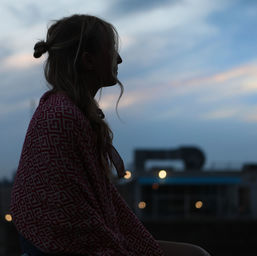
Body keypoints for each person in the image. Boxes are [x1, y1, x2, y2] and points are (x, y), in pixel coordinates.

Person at [10, 14, 211, 256]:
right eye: (112, 50)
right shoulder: (62, 116)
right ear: (88, 60)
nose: (119, 59)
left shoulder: (63, 111)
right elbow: (71, 216)